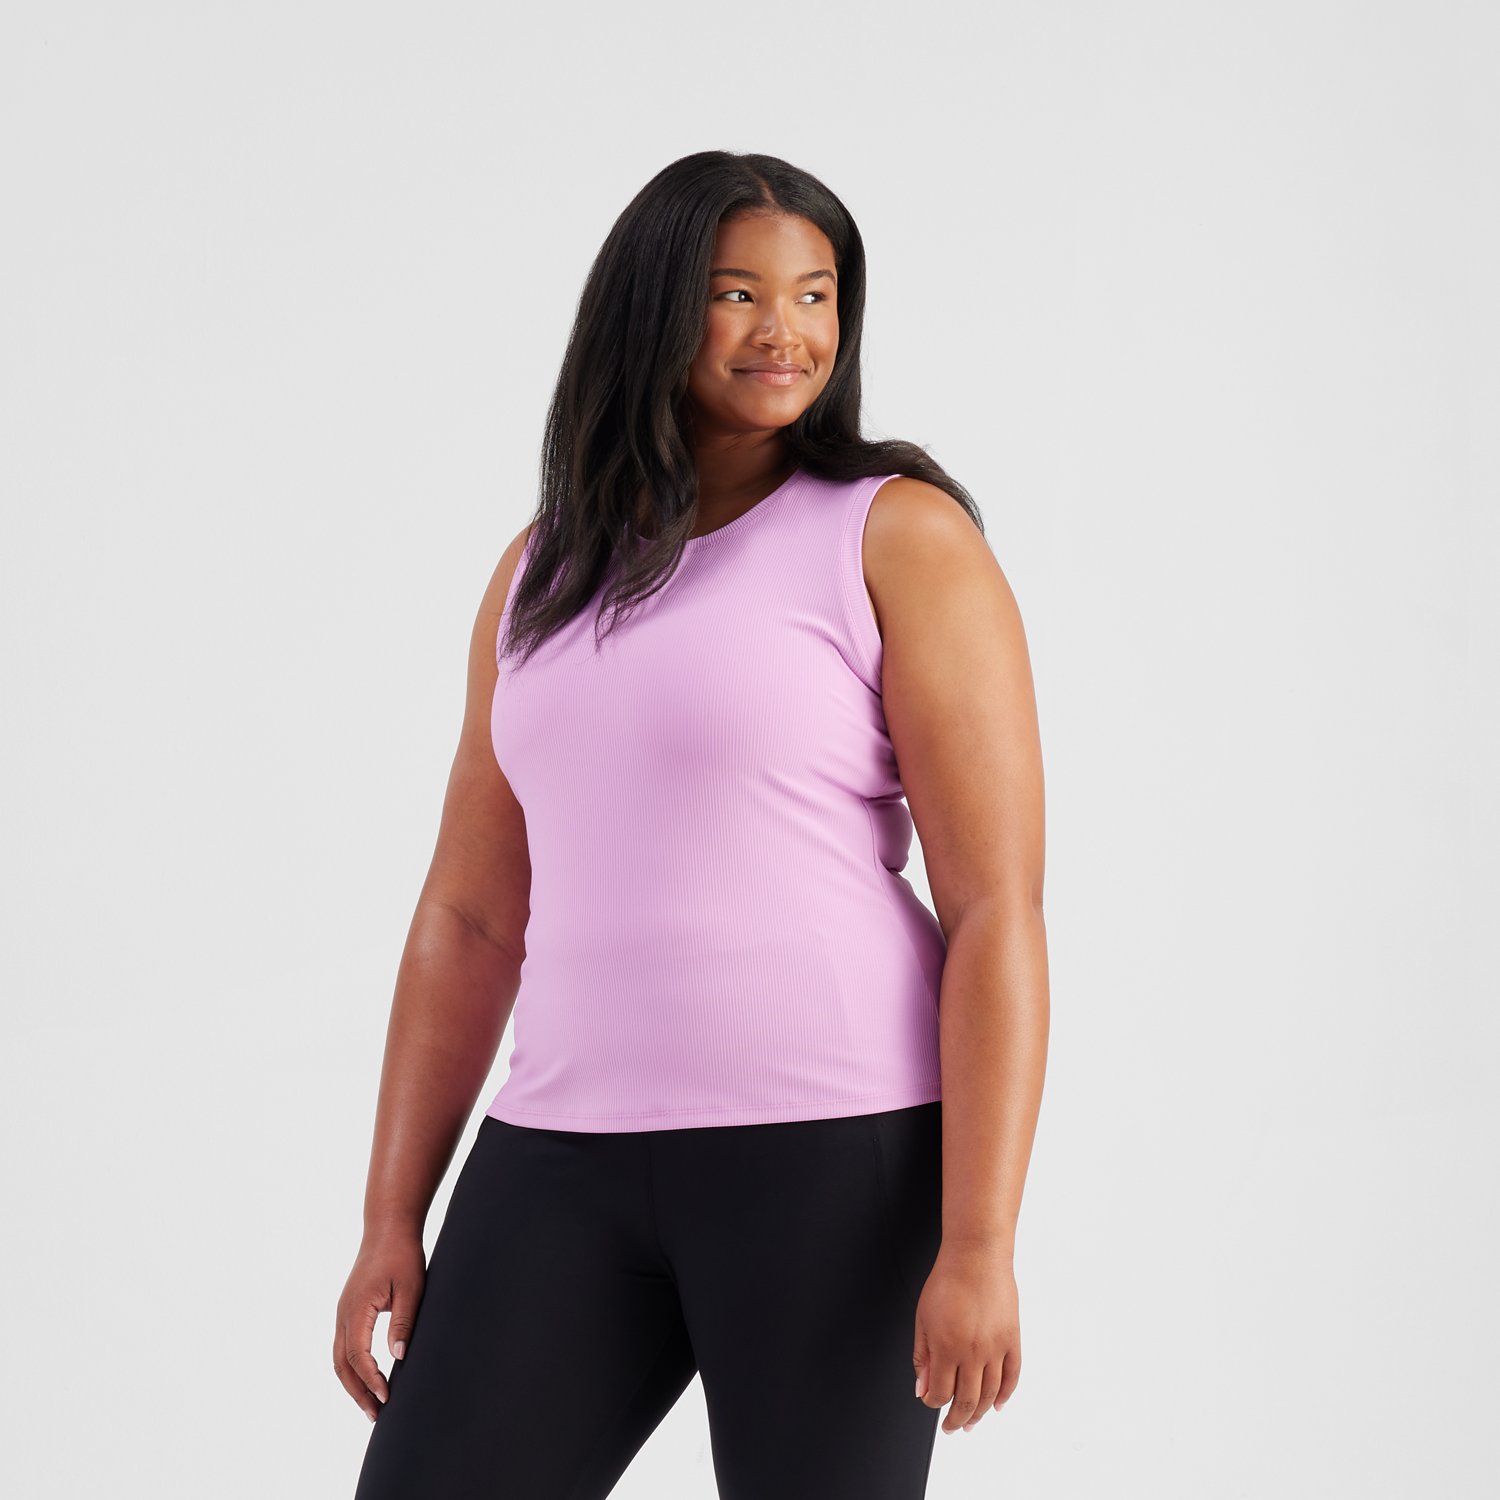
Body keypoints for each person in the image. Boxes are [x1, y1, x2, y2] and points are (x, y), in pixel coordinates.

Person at [335, 150, 1049, 1499]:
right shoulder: (542, 570)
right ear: (654, 306)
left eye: (817, 294)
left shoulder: (896, 537)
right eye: (737, 293)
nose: (787, 330)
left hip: (833, 1156)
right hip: (559, 1158)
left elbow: (996, 909)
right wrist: (391, 1212)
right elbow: (471, 915)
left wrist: (979, 1242)